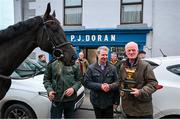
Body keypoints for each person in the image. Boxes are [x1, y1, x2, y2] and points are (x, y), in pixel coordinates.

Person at [119, 41, 158, 118]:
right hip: (128, 108)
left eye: (133, 50)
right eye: (129, 50)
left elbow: (153, 83)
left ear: (137, 51)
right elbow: (120, 82)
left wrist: (141, 91)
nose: (131, 52)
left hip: (142, 110)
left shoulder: (145, 66)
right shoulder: (123, 66)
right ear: (126, 52)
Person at [84, 46, 120, 118]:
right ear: (98, 55)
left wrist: (116, 101)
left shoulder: (113, 68)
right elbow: (87, 82)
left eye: (106, 55)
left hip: (109, 101)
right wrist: (100, 86)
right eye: (103, 55)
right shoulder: (91, 68)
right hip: (96, 101)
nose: (105, 57)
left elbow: (117, 83)